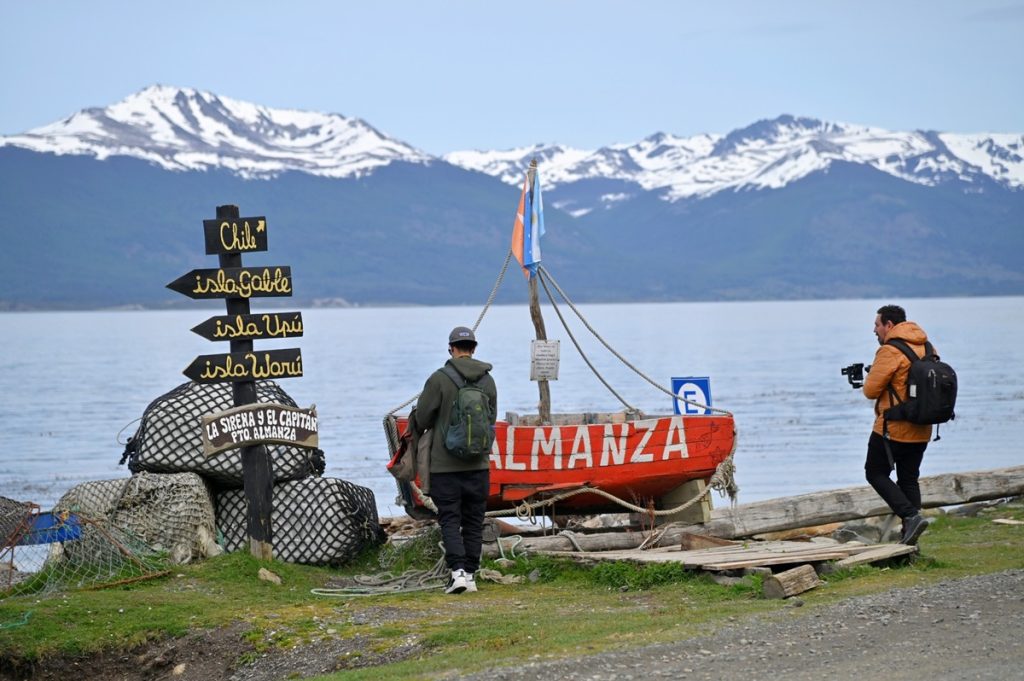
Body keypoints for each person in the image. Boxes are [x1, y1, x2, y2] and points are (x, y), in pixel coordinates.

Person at [409, 326, 497, 594]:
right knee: (473, 520)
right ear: (474, 348)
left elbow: (422, 419)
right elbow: (491, 419)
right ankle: (470, 575)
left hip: (445, 466)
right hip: (479, 465)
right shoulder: (488, 380)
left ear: (451, 349)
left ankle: (457, 572)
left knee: (449, 518)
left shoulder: (439, 379)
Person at [862, 304, 932, 545]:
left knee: (875, 472)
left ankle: (911, 516)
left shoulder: (890, 350)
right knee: (909, 479)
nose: (874, 330)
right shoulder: (926, 345)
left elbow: (871, 390)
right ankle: (911, 540)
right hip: (922, 426)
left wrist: (870, 378)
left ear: (889, 325)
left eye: (877, 325)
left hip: (894, 428)